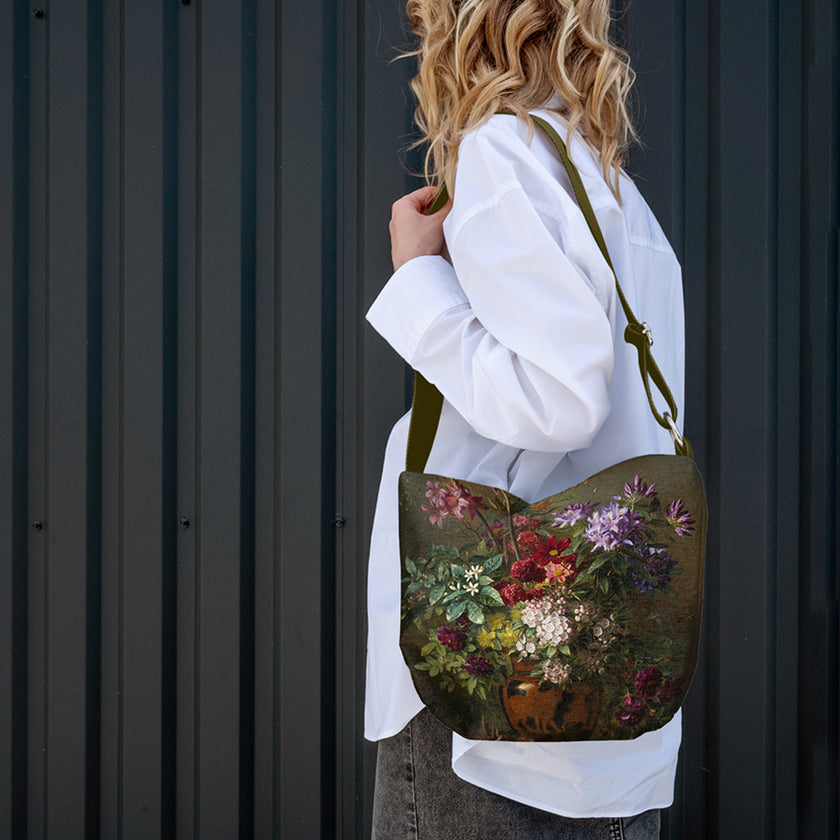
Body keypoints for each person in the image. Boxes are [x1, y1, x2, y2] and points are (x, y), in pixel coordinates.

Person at [364, 1, 685, 837]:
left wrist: (416, 279)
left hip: (488, 712)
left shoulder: (502, 154)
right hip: (613, 718)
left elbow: (560, 401)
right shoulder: (610, 187)